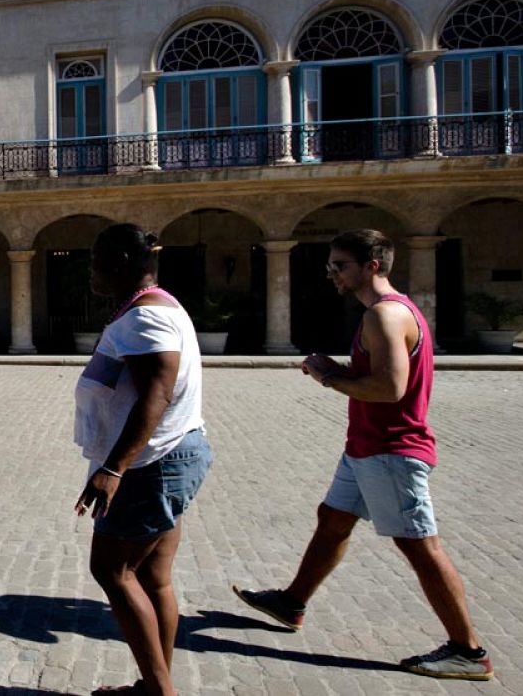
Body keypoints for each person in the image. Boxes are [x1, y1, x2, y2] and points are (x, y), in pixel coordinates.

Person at [234, 229, 493, 681]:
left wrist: (327, 379)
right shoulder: (390, 312)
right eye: (331, 265)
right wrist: (343, 369)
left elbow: (391, 388)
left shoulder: (384, 316)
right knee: (332, 520)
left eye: (340, 265)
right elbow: (385, 374)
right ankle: (292, 602)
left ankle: (468, 651)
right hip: (366, 448)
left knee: (420, 546)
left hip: (390, 450)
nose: (332, 274)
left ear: (372, 266)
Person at [72, 224, 211, 696]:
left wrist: (113, 468)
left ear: (120, 264)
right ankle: (154, 685)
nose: (90, 269)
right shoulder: (159, 305)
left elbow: (157, 393)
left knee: (110, 570)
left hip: (151, 465)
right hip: (171, 456)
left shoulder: (143, 319)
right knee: (152, 576)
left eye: (95, 260)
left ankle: (160, 692)